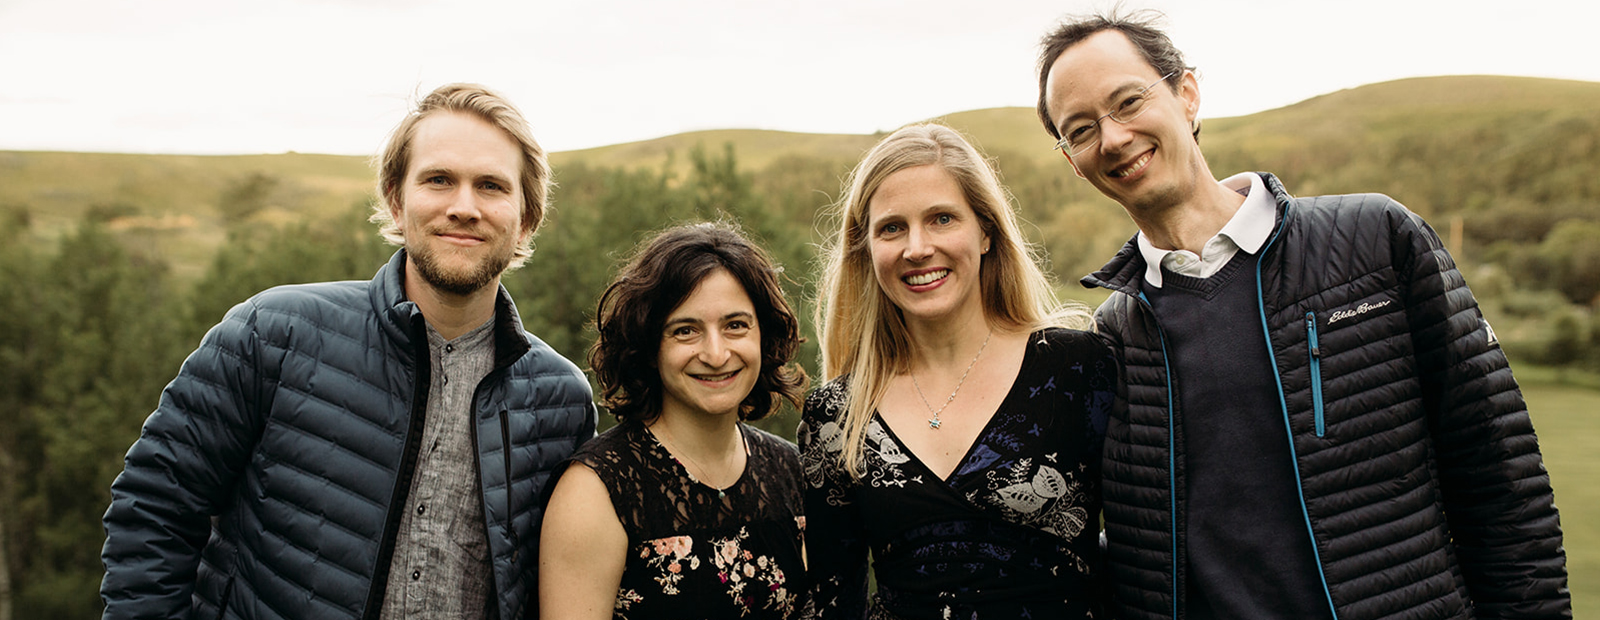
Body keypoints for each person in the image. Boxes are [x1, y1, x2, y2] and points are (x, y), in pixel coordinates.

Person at [1034, 10, 1570, 620]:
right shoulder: (1112, 335)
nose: (1113, 138)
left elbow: (1500, 476)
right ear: (1072, 161)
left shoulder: (1375, 241)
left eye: (1128, 101)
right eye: (1080, 130)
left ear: (1186, 94)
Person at [99, 83, 597, 620]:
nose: (464, 207)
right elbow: (153, 508)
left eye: (492, 186)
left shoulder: (560, 401)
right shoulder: (273, 335)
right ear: (395, 199)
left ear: (526, 218)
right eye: (438, 180)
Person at [800, 123, 1117, 619]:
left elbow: (1149, 551)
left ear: (986, 231)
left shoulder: (1081, 369)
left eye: (942, 218)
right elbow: (831, 603)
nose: (917, 248)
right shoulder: (836, 416)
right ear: (866, 250)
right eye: (892, 228)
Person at [539, 222, 809, 619]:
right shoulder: (596, 491)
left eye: (736, 326)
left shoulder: (791, 471)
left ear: (763, 337)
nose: (716, 354)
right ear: (649, 348)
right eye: (686, 331)